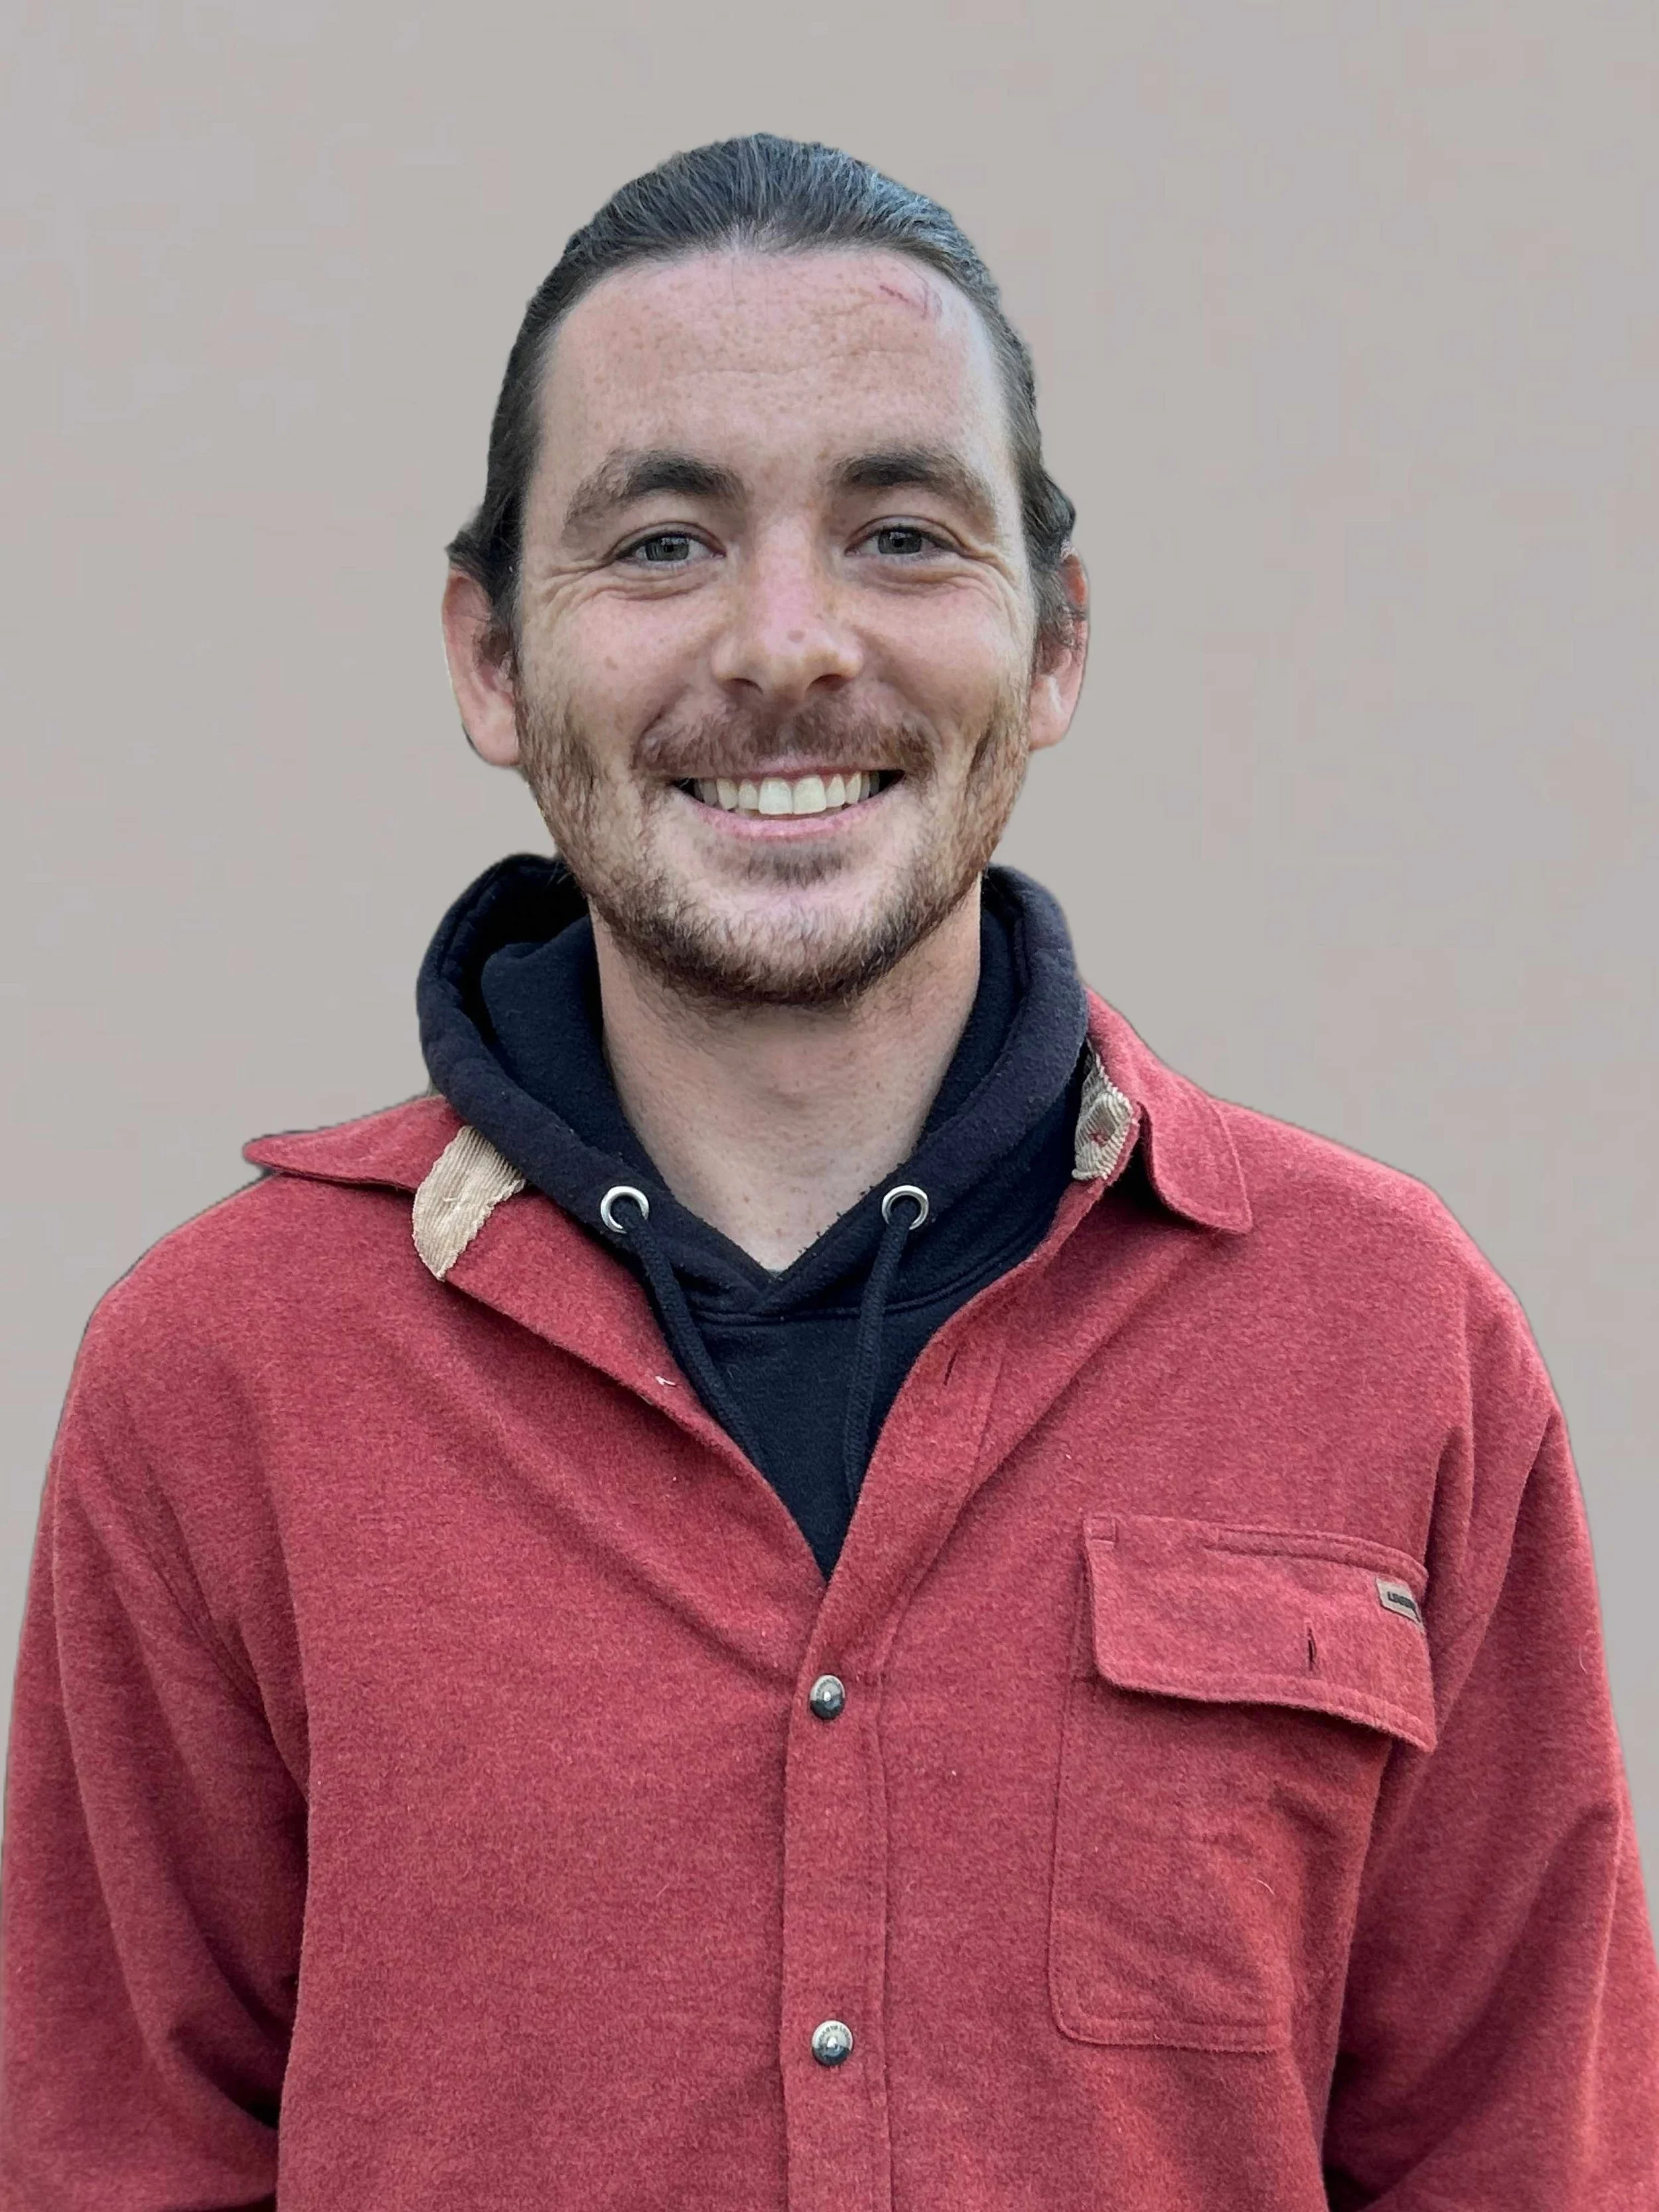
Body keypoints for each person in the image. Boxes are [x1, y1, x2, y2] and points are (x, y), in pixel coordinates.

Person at [1, 133, 1654, 2212]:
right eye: (663, 542)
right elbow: (107, 2162)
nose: (787, 643)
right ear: (491, 656)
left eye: (895, 533)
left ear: (1053, 644)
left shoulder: (1390, 1335)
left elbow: (1536, 2156)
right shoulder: (215, 1379)